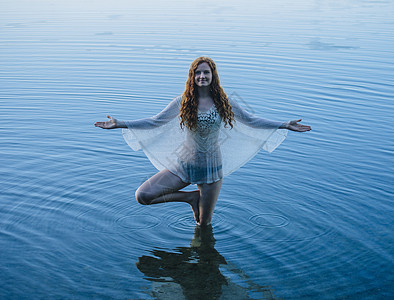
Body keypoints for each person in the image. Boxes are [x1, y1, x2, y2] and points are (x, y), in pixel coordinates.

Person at [94, 56, 311, 226]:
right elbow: (155, 121)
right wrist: (121, 123)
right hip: (184, 165)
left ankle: (204, 273)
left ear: (213, 75)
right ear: (192, 76)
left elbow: (252, 120)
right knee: (143, 195)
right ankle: (190, 198)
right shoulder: (182, 102)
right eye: (197, 73)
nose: (202, 77)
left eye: (206, 73)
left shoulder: (224, 102)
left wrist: (284, 124)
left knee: (203, 225)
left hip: (212, 170)